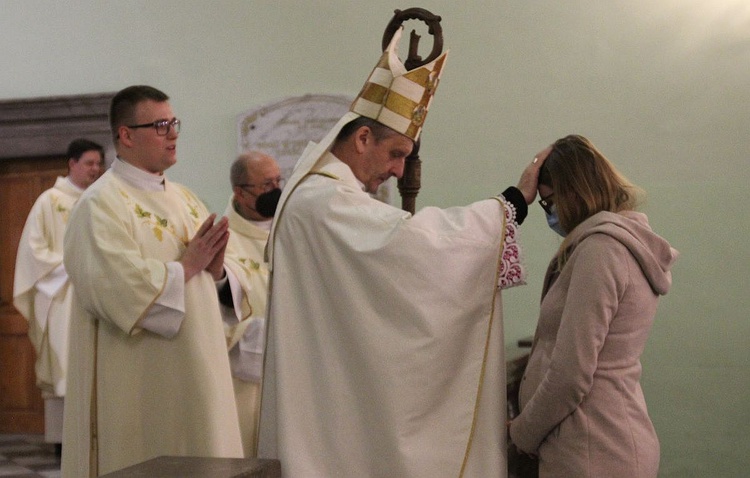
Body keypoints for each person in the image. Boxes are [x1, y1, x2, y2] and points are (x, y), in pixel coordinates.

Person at [258, 27, 549, 477]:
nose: (397, 171)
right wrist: (511, 204)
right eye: (395, 153)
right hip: (327, 413)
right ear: (361, 139)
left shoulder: (320, 197)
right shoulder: (324, 201)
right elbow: (413, 248)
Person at [61, 85, 253, 477]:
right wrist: (186, 267)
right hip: (142, 387)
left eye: (174, 123)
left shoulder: (185, 198)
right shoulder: (99, 205)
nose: (173, 134)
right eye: (160, 125)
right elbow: (118, 290)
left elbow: (219, 279)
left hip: (202, 375)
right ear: (126, 135)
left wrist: (216, 272)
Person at [508, 135, 679, 477]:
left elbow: (571, 374)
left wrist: (520, 435)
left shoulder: (601, 249)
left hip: (594, 447)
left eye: (549, 202)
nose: (550, 214)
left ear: (574, 191)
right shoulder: (612, 244)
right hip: (596, 439)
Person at [13, 138, 104, 450]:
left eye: (98, 163)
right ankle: (64, 442)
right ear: (72, 164)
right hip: (61, 295)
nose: (96, 169)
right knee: (65, 364)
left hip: (96, 293)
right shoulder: (49, 201)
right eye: (89, 163)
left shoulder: (102, 200)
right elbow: (33, 250)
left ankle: (97, 438)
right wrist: (71, 266)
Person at [222, 151, 283, 457]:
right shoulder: (223, 241)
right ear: (240, 192)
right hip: (247, 385)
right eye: (266, 185)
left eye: (278, 181)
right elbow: (218, 314)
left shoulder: (293, 227)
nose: (276, 191)